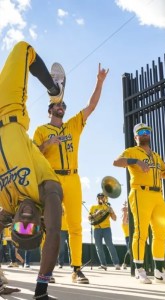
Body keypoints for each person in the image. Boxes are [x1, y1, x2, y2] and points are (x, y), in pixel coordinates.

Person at [33, 63, 109, 284]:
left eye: (63, 105)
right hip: (52, 179)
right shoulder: (41, 130)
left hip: (73, 177)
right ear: (50, 110)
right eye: (57, 105)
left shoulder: (73, 125)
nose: (61, 107)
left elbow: (91, 106)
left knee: (76, 225)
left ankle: (76, 269)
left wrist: (99, 82)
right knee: (50, 226)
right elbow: (34, 154)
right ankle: (46, 270)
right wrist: (47, 144)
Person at [0, 40, 64, 298]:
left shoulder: (7, 204)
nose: (25, 221)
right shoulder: (46, 189)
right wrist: (40, 290)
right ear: (41, 223)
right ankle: (54, 89)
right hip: (7, 107)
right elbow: (55, 235)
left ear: (12, 223)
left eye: (20, 229)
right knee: (22, 49)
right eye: (32, 228)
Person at [113, 123, 165, 285]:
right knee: (141, 232)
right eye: (141, 132)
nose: (145, 134)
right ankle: (140, 270)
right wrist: (136, 162)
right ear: (136, 136)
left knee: (161, 233)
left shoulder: (156, 156)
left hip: (158, 195)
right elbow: (116, 162)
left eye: (147, 132)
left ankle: (159, 271)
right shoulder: (132, 151)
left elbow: (164, 173)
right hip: (140, 193)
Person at [88, 193, 121, 270]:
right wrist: (96, 214)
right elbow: (89, 218)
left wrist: (112, 212)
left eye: (102, 197)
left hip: (106, 228)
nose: (100, 199)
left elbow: (114, 218)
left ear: (105, 198)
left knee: (110, 245)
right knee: (98, 247)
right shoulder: (93, 207)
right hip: (96, 229)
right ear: (96, 199)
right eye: (99, 197)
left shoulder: (108, 207)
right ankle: (103, 264)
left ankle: (116, 263)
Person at [121, 201, 131, 269]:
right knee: (130, 250)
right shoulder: (124, 224)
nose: (127, 219)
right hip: (128, 238)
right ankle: (124, 263)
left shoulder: (132, 223)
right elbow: (124, 218)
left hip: (134, 237)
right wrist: (126, 211)